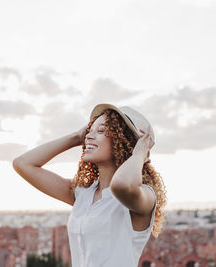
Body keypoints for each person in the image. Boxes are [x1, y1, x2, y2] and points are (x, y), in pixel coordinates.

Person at [13, 103, 167, 267]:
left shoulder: (144, 196)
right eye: (89, 131)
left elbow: (121, 186)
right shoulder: (83, 193)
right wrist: (75, 138)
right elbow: (23, 164)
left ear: (123, 141)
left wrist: (139, 154)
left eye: (101, 131)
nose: (89, 136)